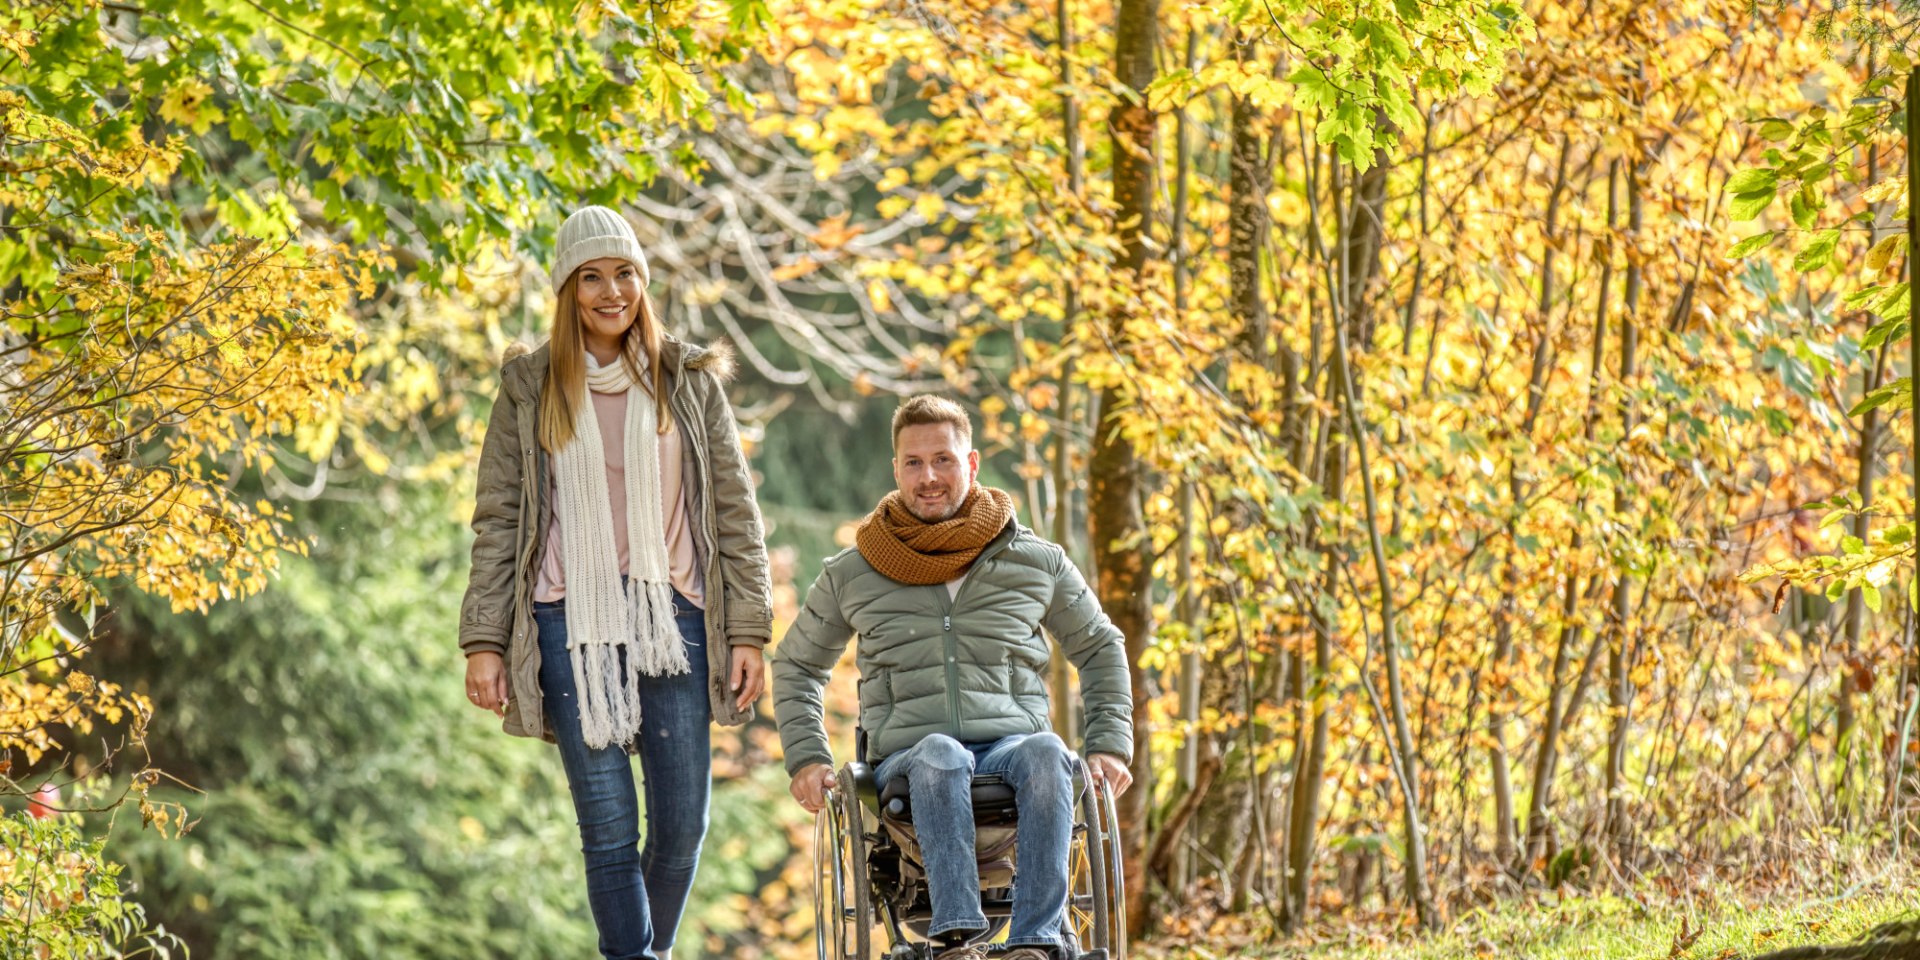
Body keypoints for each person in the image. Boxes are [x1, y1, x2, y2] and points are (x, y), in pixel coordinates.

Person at [458, 205, 774, 960]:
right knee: (606, 830)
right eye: (591, 277)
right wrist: (484, 641)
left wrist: (750, 629)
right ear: (568, 290)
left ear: (643, 281)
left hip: (678, 616)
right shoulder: (528, 388)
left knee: (681, 827)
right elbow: (499, 519)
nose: (611, 292)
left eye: (624, 273)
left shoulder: (687, 381)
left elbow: (735, 508)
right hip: (569, 622)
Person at [771, 395, 1134, 960]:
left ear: (971, 463)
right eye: (913, 463)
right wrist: (808, 757)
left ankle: (1037, 943)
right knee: (941, 751)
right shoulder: (854, 572)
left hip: (1011, 747)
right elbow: (797, 664)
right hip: (909, 757)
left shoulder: (1034, 561)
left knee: (1047, 752)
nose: (929, 477)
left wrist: (1111, 743)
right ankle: (956, 939)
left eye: (943, 459)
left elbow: (1100, 644)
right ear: (895, 470)